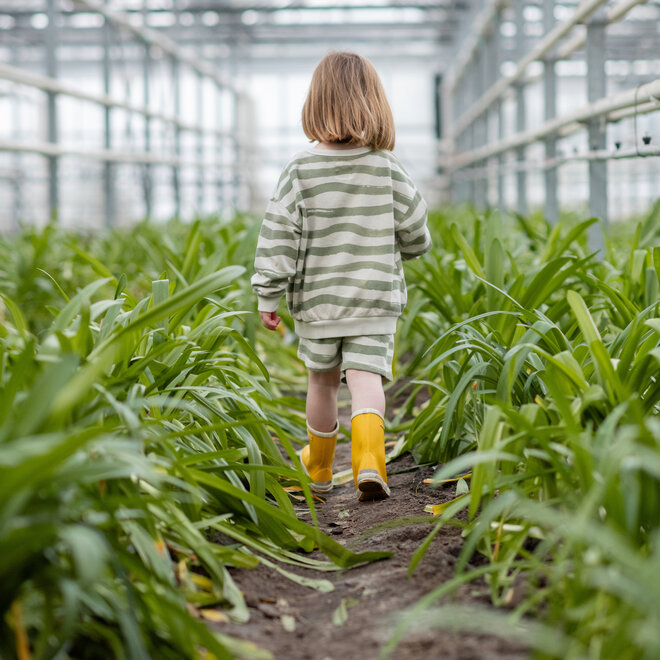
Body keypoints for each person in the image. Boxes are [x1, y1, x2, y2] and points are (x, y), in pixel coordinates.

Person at [251, 51, 431, 501]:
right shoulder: (387, 167)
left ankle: (319, 467)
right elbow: (416, 229)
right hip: (373, 302)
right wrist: (408, 248)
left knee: (322, 381)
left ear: (315, 103)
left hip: (318, 305)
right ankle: (370, 461)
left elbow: (278, 235)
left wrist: (268, 296)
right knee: (366, 378)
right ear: (374, 102)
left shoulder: (299, 170)